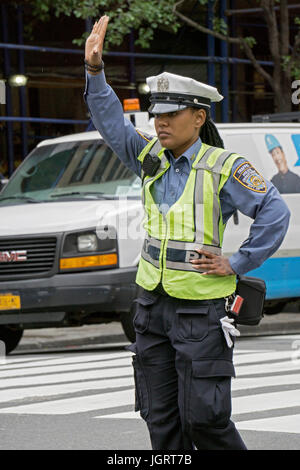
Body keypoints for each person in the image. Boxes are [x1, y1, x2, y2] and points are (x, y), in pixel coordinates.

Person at [84, 16, 290, 450]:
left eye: (171, 115)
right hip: (151, 308)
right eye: (157, 114)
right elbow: (110, 124)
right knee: (161, 424)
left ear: (198, 118)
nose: (160, 123)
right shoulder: (149, 157)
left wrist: (237, 261)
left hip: (200, 311)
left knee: (206, 422)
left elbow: (275, 212)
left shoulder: (225, 166)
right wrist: (95, 72)